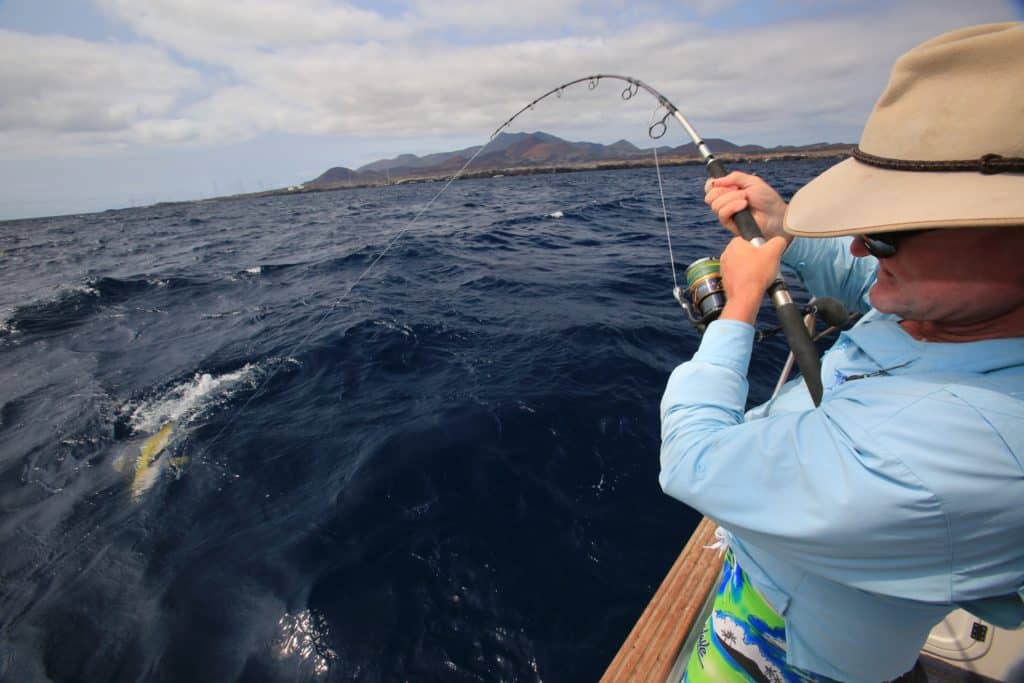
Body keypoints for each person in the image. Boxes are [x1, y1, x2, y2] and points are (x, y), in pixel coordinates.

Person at [659, 22, 1024, 683]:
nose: (860, 245)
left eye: (888, 232)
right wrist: (783, 224)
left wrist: (738, 307)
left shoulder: (956, 455)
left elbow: (695, 460)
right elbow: (870, 285)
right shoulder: (970, 314)